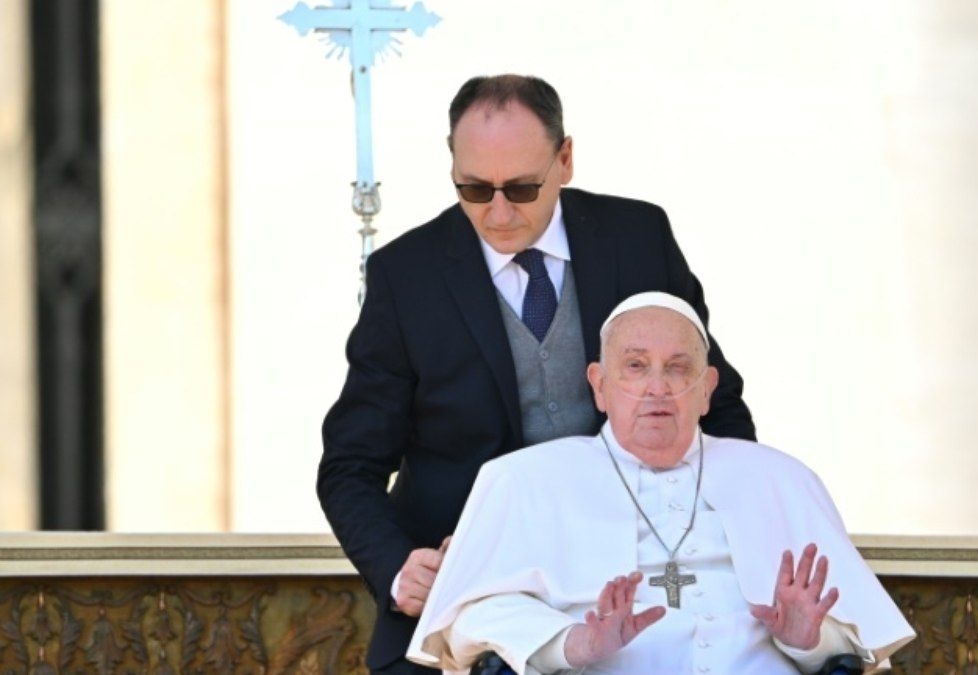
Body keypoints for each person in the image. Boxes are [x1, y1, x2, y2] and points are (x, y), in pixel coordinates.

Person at [318, 75, 756, 674]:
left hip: (634, 578)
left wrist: (732, 545)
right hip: (471, 589)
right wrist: (398, 567)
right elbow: (349, 466)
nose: (498, 213)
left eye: (522, 188)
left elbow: (716, 405)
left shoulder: (637, 239)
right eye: (474, 189)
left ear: (566, 159)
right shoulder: (405, 276)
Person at [407, 292, 914, 674]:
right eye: (634, 367)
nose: (657, 387)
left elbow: (854, 645)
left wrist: (808, 640)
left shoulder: (779, 478)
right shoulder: (522, 480)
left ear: (707, 389)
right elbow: (465, 621)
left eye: (678, 369)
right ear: (599, 386)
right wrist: (571, 644)